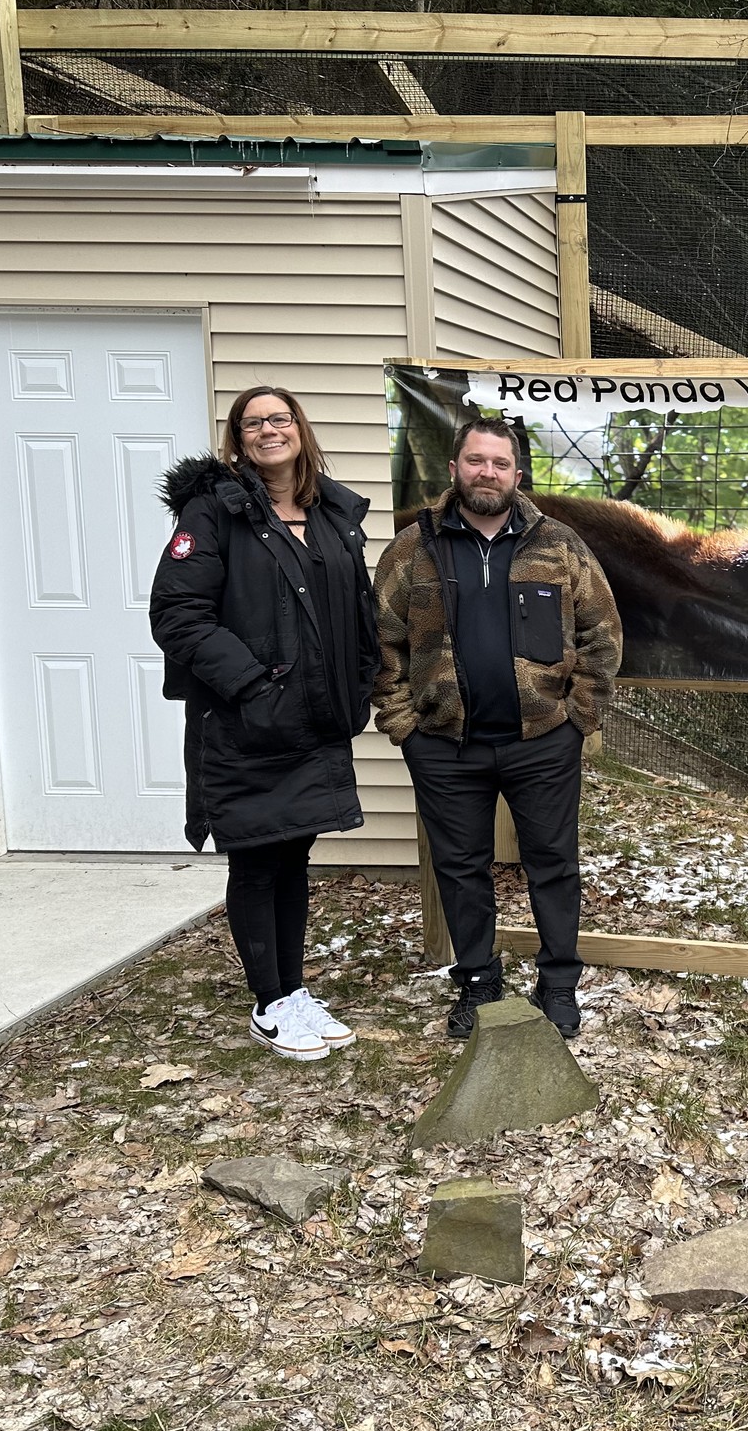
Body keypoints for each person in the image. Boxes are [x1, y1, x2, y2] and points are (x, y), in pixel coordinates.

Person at [372, 418, 621, 1041]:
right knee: (461, 867)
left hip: (541, 744)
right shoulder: (413, 548)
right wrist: (405, 725)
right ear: (455, 468)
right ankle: (479, 982)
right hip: (444, 747)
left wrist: (577, 719)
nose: (488, 472)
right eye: (476, 461)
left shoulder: (558, 544)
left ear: (517, 474)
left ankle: (558, 982)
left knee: (554, 863)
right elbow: (381, 643)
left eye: (500, 463)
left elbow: (603, 634)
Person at [152, 386, 378, 1062]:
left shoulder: (330, 513)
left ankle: (292, 989)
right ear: (238, 439)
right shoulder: (215, 511)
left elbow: (357, 609)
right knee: (256, 859)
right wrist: (251, 685)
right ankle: (269, 1004)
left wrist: (358, 681)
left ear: (300, 430)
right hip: (247, 724)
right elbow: (178, 615)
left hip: (315, 721)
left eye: (280, 419)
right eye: (254, 423)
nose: (268, 430)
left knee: (293, 855)